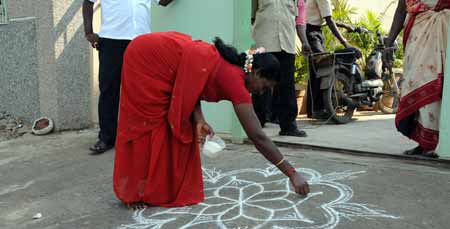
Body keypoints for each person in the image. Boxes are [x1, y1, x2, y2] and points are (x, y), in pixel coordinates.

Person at [113, 32, 311, 209]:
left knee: (177, 128)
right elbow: (257, 136)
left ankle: (153, 189)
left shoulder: (235, 72)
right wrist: (291, 173)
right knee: (147, 127)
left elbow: (190, 84)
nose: (262, 92)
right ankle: (133, 192)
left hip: (162, 59)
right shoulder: (235, 82)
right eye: (265, 86)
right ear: (256, 73)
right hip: (146, 59)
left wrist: (199, 119)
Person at [82, 0, 174, 155]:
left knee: (142, 92)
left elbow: (163, 2)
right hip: (112, 40)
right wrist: (88, 32)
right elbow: (87, 3)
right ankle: (107, 138)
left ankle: (140, 135)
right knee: (109, 90)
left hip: (142, 41)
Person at [385, 0, 449, 157]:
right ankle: (424, 142)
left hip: (443, 33)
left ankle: (438, 143)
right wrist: (389, 42)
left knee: (439, 86)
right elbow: (401, 9)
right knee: (415, 84)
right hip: (417, 35)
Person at [251, 0, 307, 137]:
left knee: (286, 85)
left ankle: (288, 126)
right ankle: (257, 124)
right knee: (260, 85)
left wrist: (304, 42)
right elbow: (251, 17)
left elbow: (296, 17)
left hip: (286, 43)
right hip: (265, 42)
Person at [305, 0, 351, 119]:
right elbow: (329, 20)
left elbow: (327, 19)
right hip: (312, 32)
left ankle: (313, 109)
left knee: (315, 71)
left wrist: (346, 26)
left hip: (313, 31)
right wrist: (345, 43)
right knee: (321, 69)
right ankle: (318, 109)